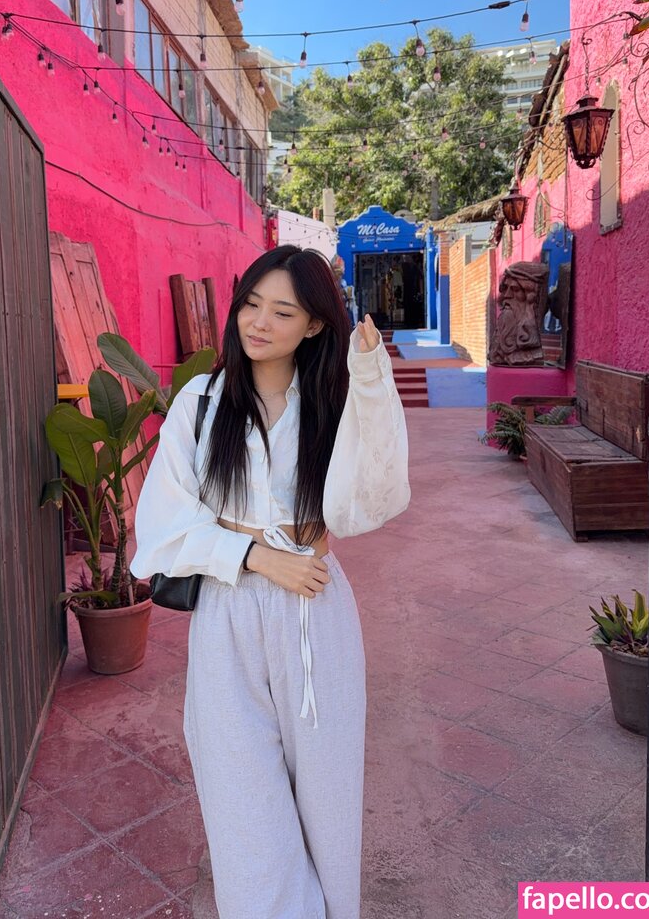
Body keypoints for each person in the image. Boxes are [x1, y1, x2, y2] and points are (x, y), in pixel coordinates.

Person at [130, 244, 410, 919]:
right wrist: (254, 556)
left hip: (315, 610)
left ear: (314, 324)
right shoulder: (203, 401)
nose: (259, 322)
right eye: (251, 304)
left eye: (282, 312)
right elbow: (160, 526)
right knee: (241, 798)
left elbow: (374, 500)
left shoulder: (334, 401)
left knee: (328, 797)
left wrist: (371, 377)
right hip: (228, 613)